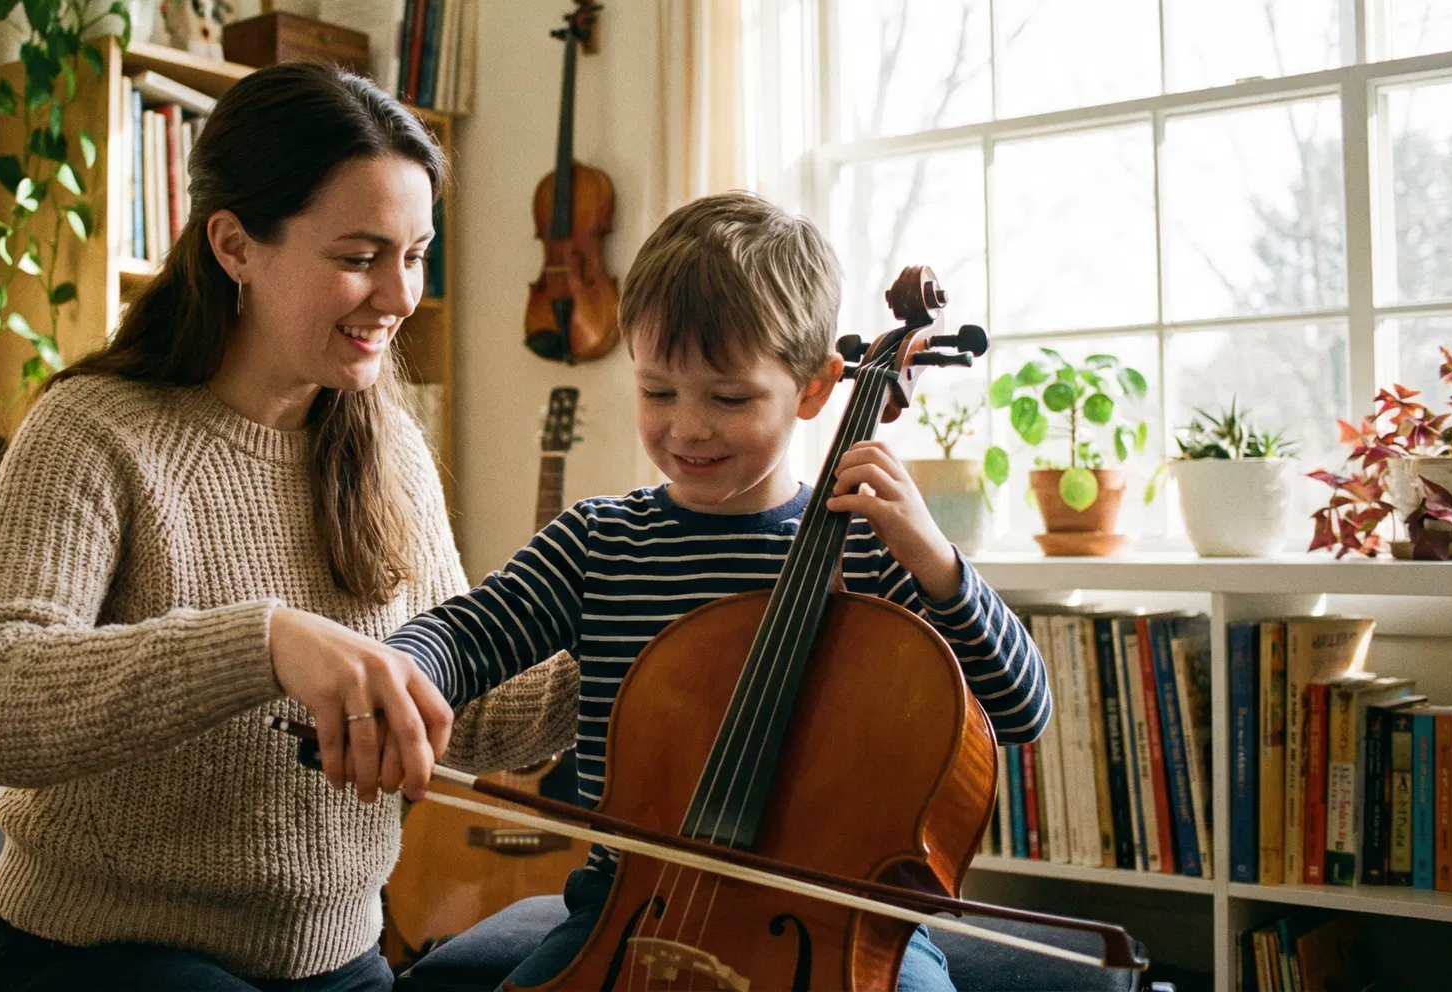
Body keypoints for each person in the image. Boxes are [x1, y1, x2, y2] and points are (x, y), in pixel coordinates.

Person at [0, 61, 568, 992]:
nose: (399, 297)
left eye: (415, 255)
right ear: (234, 245)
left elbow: (456, 713)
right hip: (104, 956)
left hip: (337, 959)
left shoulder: (387, 442)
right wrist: (263, 644)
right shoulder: (95, 430)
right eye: (359, 257)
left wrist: (658, 646)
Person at [383, 192, 1053, 991]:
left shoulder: (872, 553)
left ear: (814, 389)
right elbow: (465, 633)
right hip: (629, 910)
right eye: (658, 392)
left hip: (838, 924)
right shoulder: (601, 542)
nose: (688, 427)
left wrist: (938, 564)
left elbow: (1021, 709)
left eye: (729, 398)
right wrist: (397, 670)